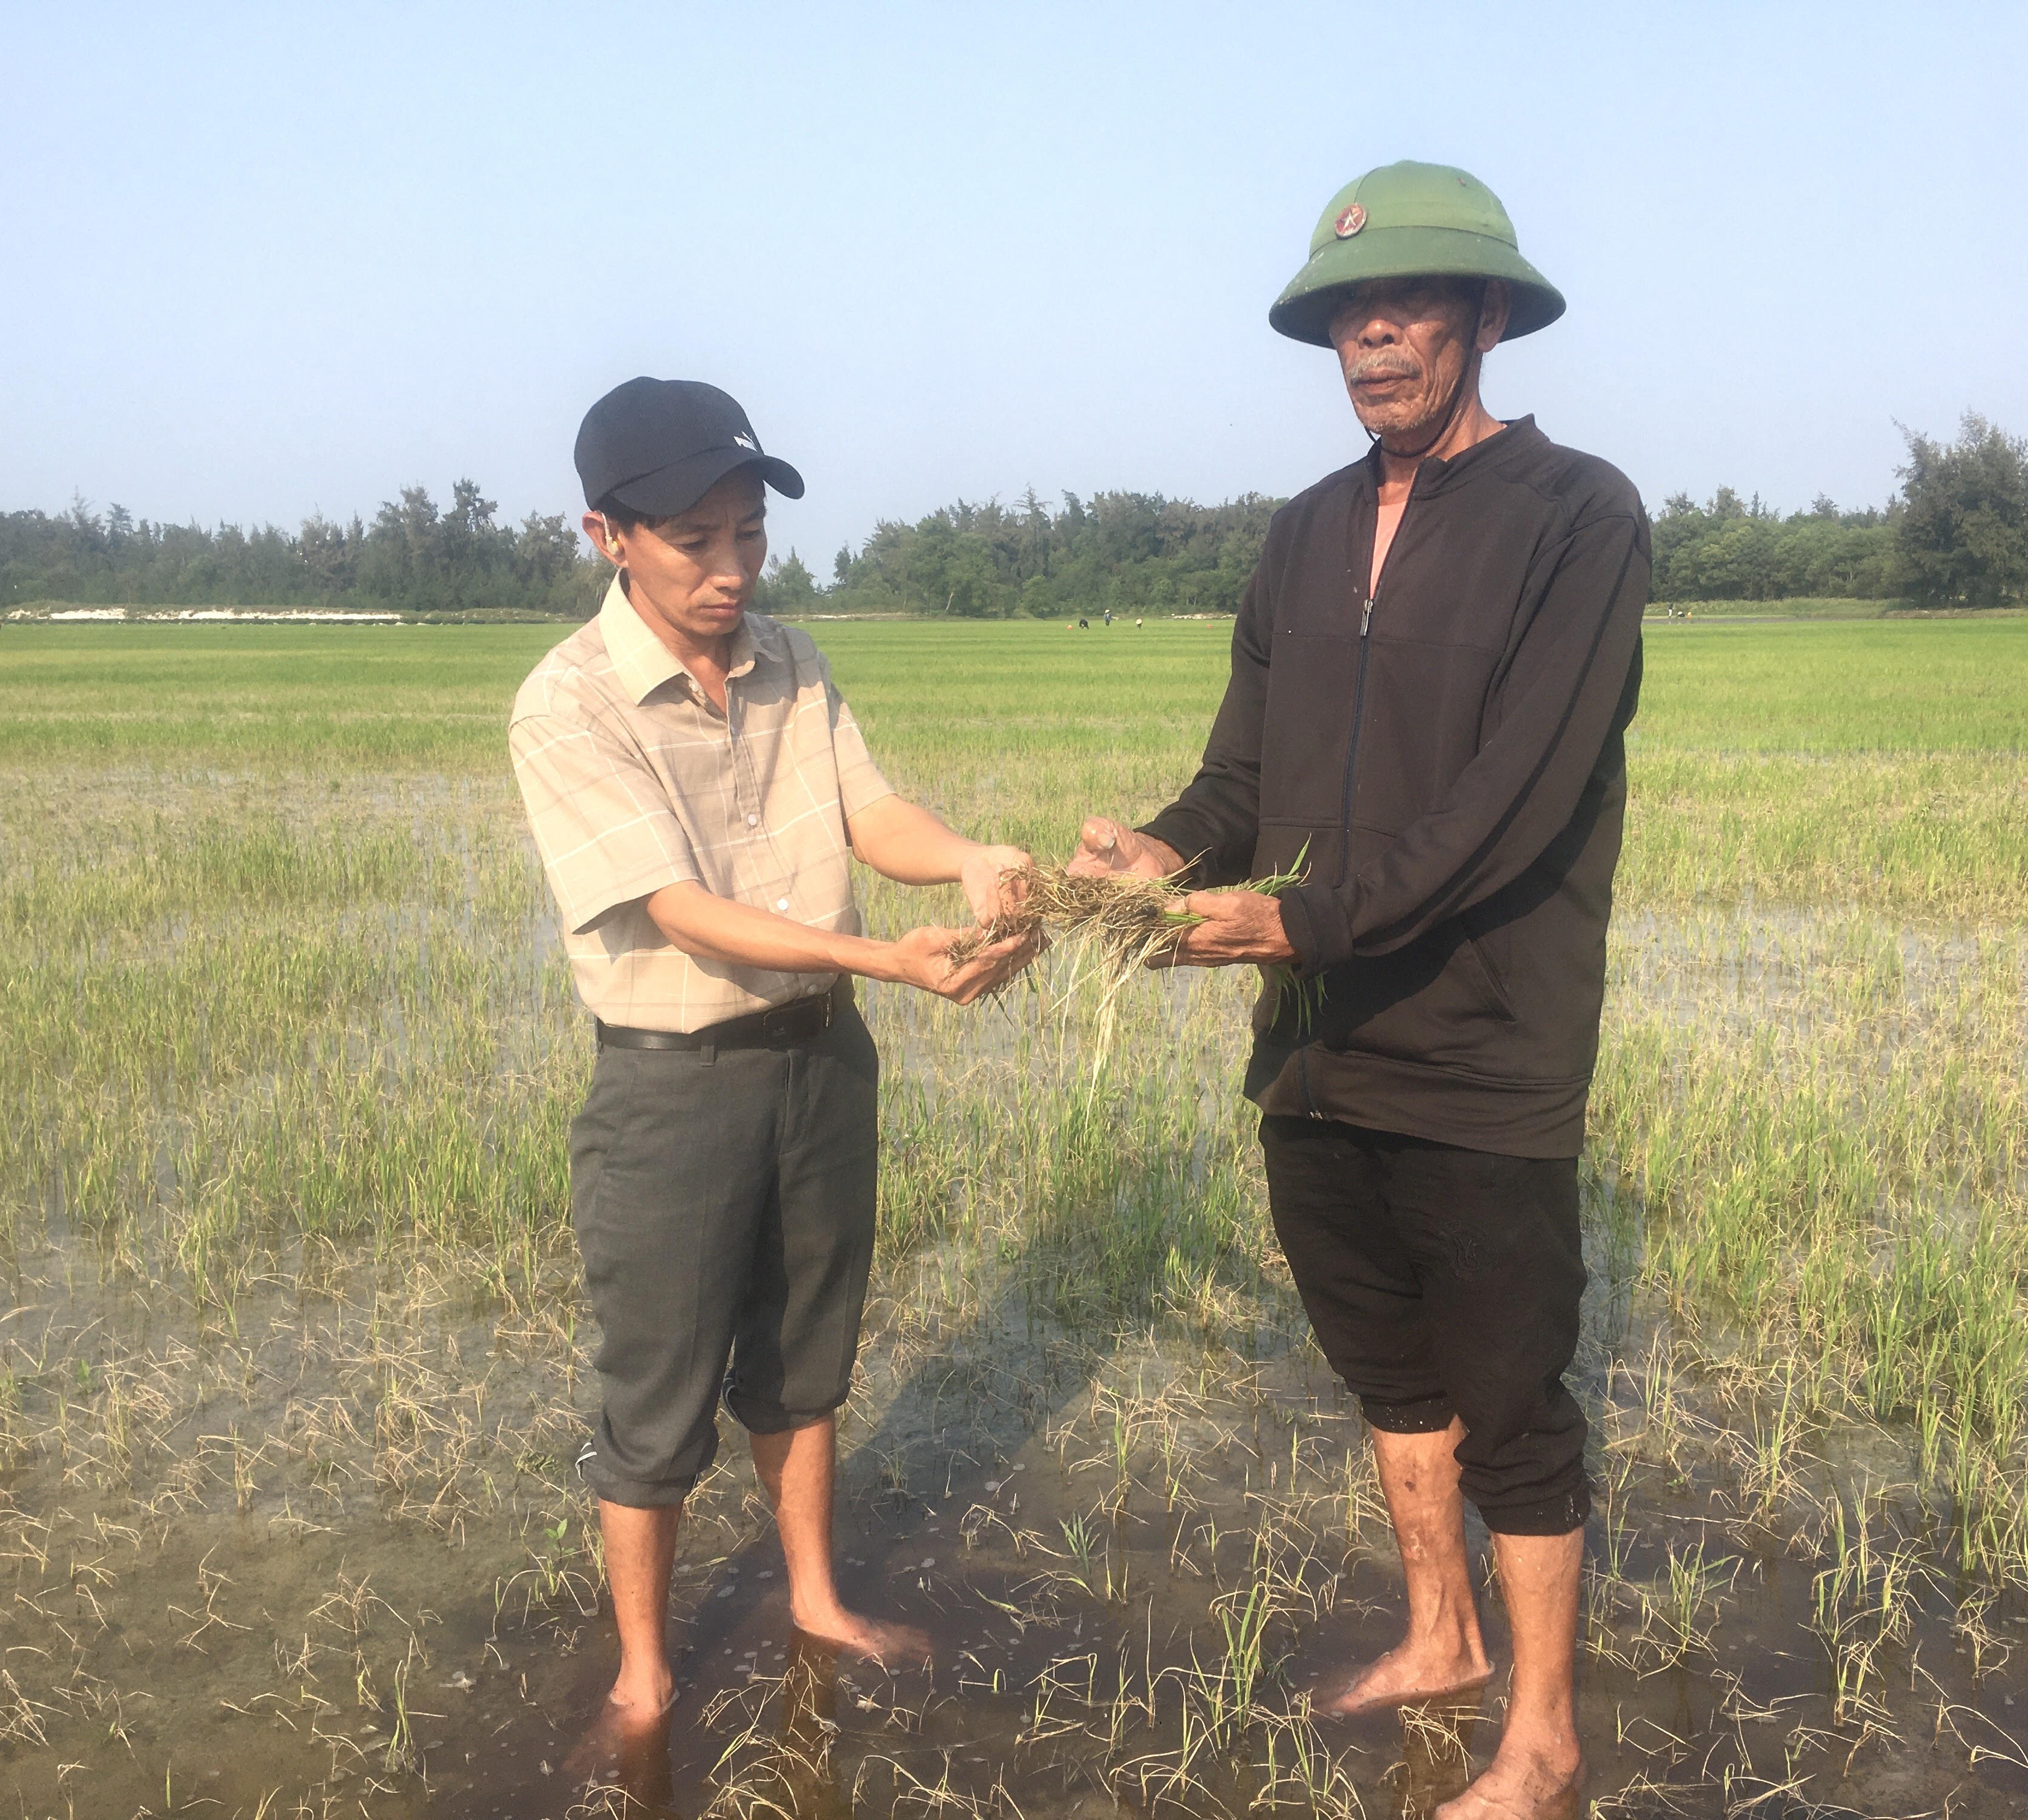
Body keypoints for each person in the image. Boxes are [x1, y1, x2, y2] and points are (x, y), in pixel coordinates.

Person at [1070, 163, 1645, 1820]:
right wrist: (1156, 861)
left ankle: (1539, 1740)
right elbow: (1239, 778)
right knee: (1388, 1372)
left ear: (1481, 318)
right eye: (1348, 313)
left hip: (1482, 1047)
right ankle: (1439, 1638)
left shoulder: (1578, 519)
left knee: (1514, 1401)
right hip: (1316, 1058)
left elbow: (1510, 808)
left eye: (1406, 307)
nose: (1372, 337)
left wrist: (1290, 925)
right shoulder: (1309, 530)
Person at [510, 377, 1036, 1780]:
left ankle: (814, 1600)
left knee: (808, 1360)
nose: (733, 569)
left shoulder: (793, 660)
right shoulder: (566, 703)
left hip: (819, 1069)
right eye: (696, 539)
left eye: (749, 532)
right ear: (609, 535)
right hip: (673, 1087)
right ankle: (642, 1673)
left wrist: (975, 858)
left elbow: (872, 813)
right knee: (658, 1394)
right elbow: (675, 906)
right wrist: (886, 961)